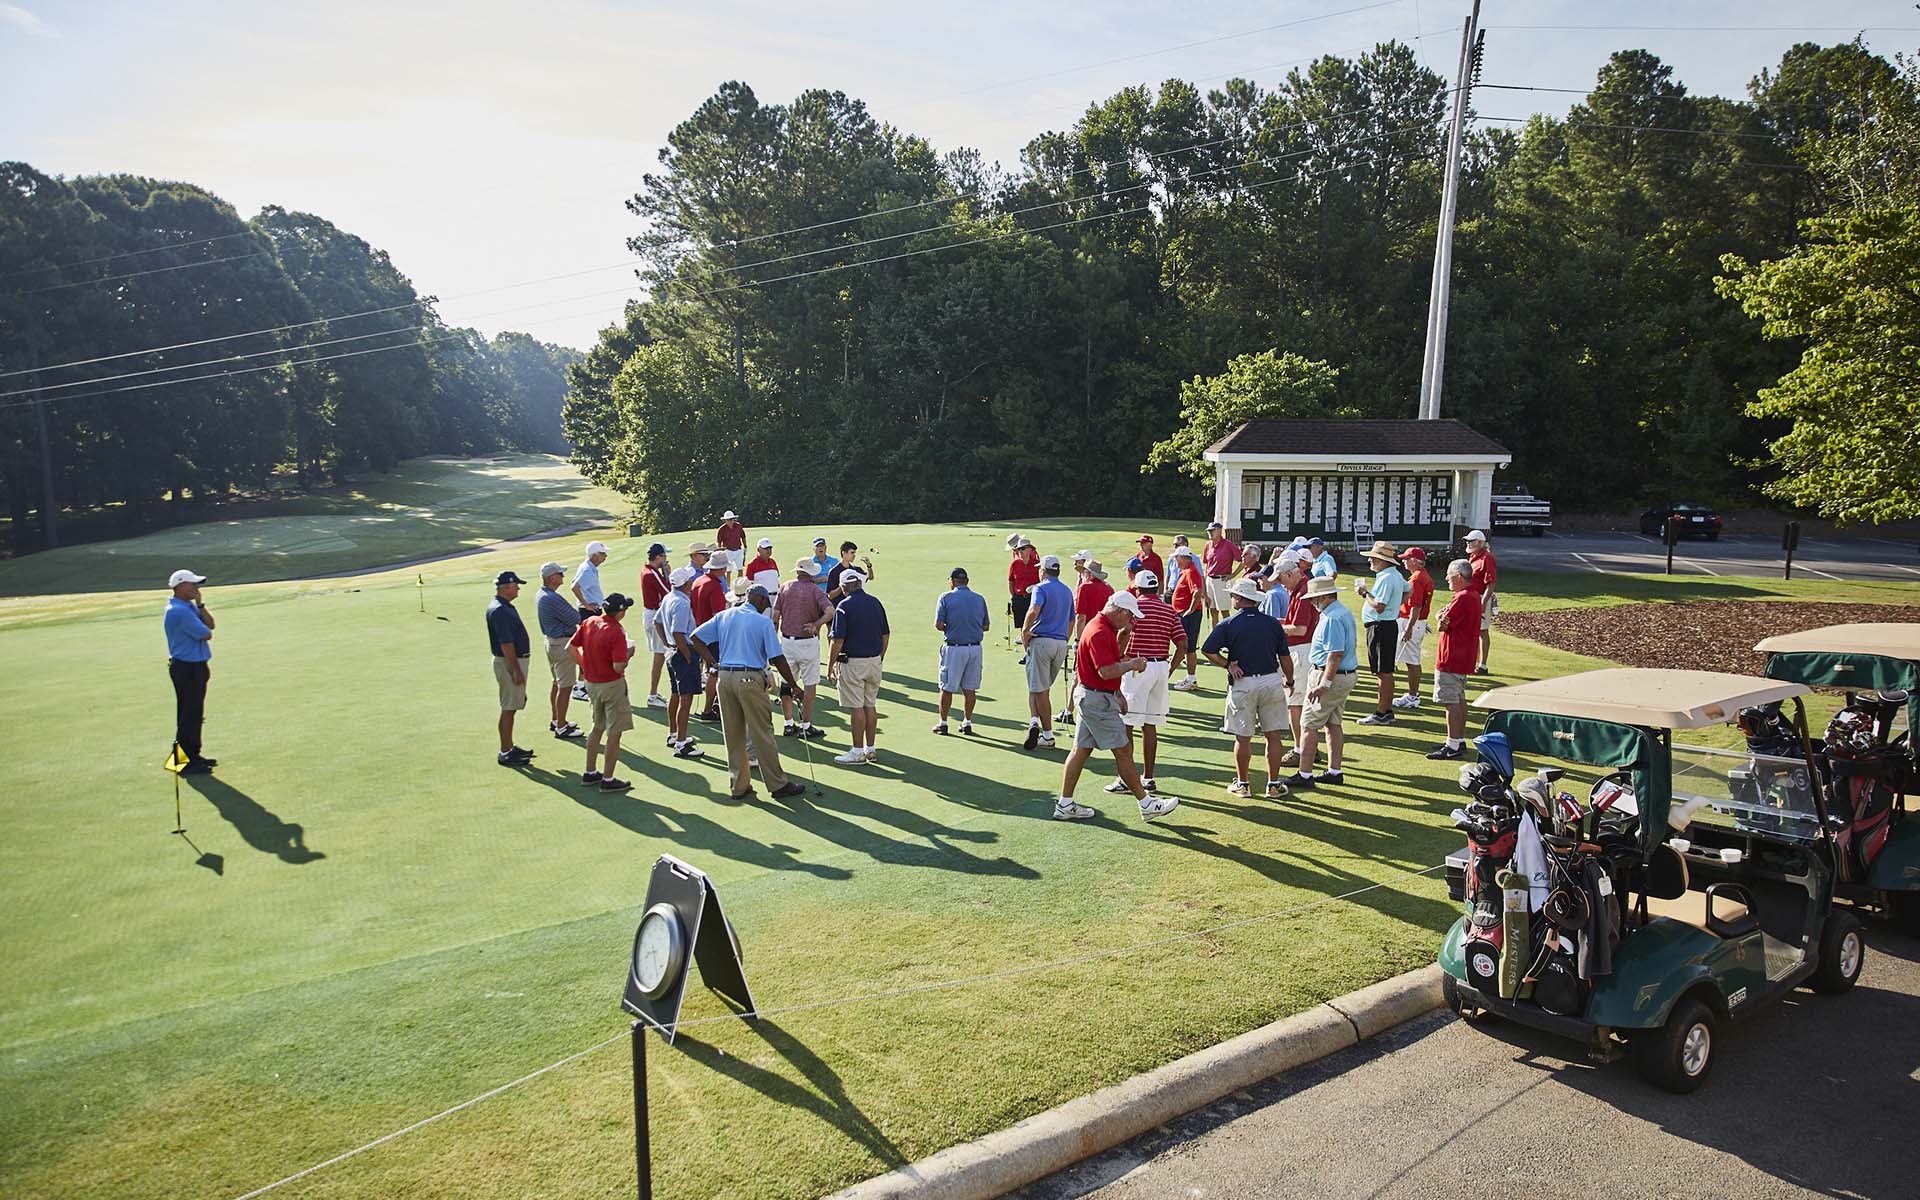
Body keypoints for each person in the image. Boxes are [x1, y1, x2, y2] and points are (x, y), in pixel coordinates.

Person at [1052, 592, 1180, 822]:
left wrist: (1118, 693)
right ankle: (1146, 803)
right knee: (1123, 750)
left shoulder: (1103, 627)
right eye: (1130, 615)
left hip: (1093, 696)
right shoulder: (1100, 632)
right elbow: (1106, 671)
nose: (1131, 620)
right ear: (1120, 611)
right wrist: (1133, 664)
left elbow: (1108, 665)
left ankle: (1065, 804)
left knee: (1081, 750)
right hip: (1097, 702)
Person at [689, 586, 807, 801]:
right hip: (749, 679)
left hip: (725, 679)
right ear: (760, 600)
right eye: (766, 604)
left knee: (733, 735)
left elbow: (696, 637)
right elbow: (777, 658)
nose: (766, 608)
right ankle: (778, 785)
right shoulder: (763, 622)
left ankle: (739, 786)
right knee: (762, 732)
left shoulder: (724, 616)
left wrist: (712, 663)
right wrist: (793, 685)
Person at [1202, 578, 1296, 799]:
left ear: (1239, 598)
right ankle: (1273, 785)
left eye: (1233, 595)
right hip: (1271, 680)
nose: (1231, 598)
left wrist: (1228, 664)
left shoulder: (1228, 624)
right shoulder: (1272, 623)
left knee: (1243, 738)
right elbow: (1285, 657)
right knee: (1273, 736)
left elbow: (1208, 649)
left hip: (1243, 683)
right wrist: (1290, 681)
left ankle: (1243, 784)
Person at [1103, 570, 1186, 795]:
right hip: (1160, 667)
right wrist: (1170, 669)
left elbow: (1124, 633)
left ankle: (1126, 779)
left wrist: (1119, 657)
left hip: (1136, 667)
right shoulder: (1168, 609)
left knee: (1127, 723)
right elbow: (1182, 644)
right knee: (1150, 725)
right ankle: (1148, 778)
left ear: (1137, 589)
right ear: (1157, 588)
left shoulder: (1134, 607)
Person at [1290, 575, 1356, 789]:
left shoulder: (1331, 618)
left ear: (1325, 597)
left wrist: (1323, 684)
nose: (1311, 602)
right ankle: (1334, 771)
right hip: (1342, 675)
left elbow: (1335, 654)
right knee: (1333, 723)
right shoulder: (1341, 612)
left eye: (1314, 598)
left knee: (1308, 725)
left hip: (1329, 676)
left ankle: (1305, 774)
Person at [568, 592, 636, 791]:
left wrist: (585, 666)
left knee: (597, 726)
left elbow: (570, 648)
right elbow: (618, 666)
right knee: (614, 732)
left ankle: (590, 772)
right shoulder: (616, 631)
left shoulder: (589, 622)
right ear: (620, 612)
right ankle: (608, 779)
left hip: (592, 683)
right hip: (612, 685)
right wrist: (629, 654)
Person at [827, 569, 889, 764]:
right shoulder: (875, 602)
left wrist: (830, 665)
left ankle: (857, 751)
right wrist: (880, 657)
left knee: (856, 707)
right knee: (870, 704)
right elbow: (885, 634)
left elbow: (837, 640)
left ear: (844, 587)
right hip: (874, 661)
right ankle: (870, 748)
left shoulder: (844, 606)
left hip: (853, 663)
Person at [1426, 559, 1484, 760]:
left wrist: (1439, 617)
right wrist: (1440, 616)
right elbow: (1443, 616)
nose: (1446, 578)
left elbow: (1443, 624)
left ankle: (1453, 744)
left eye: (1449, 575)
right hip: (1463, 655)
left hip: (1452, 655)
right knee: (1458, 698)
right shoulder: (1472, 595)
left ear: (1459, 577)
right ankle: (1457, 740)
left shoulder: (1463, 598)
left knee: (1451, 702)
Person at [163, 568, 218, 773]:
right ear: (180, 586)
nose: (196, 587)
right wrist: (198, 612)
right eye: (193, 584)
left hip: (195, 666)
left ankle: (193, 756)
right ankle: (181, 763)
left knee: (195, 713)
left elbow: (211, 624)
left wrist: (200, 604)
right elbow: (206, 634)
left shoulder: (187, 606)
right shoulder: (178, 611)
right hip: (186, 668)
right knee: (189, 715)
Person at [774, 556, 832, 739]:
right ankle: (806, 726)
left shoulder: (785, 587)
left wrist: (774, 641)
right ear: (811, 573)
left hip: (787, 642)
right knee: (809, 684)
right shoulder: (815, 590)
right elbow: (830, 611)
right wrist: (816, 623)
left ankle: (788, 724)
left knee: (785, 682)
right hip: (807, 642)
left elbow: (775, 616)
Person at [1019, 554, 1074, 750]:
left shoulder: (1040, 588)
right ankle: (1034, 721)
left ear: (1043, 570)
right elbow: (1071, 620)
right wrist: (1064, 639)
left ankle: (1048, 735)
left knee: (1040, 691)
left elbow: (1034, 610)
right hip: (1060, 644)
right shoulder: (1067, 591)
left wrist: (1025, 630)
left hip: (1042, 642)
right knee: (1039, 688)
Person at [1354, 541, 1410, 727]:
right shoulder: (1394, 574)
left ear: (1383, 560)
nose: (1370, 560)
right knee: (1385, 671)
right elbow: (1408, 590)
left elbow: (1379, 606)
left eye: (1374, 558)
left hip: (1380, 626)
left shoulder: (1387, 577)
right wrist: (1395, 605)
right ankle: (1386, 711)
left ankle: (1381, 713)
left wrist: (1364, 593)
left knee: (1383, 673)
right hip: (1385, 625)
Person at [486, 569, 535, 767]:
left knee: (511, 706)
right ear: (506, 587)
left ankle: (509, 747)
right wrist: (516, 670)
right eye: (516, 586)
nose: (518, 589)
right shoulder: (500, 610)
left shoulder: (503, 606)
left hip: (511, 661)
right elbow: (506, 644)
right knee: (508, 707)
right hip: (509, 662)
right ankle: (505, 752)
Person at [934, 566, 990, 735]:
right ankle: (967, 722)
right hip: (975, 649)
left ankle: (943, 723)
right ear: (967, 581)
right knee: (970, 689)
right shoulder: (979, 599)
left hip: (954, 649)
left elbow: (939, 624)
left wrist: (952, 627)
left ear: (952, 581)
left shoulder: (945, 597)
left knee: (947, 687)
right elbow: (985, 626)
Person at [1275, 555, 1319, 763]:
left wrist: (1275, 626)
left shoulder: (1302, 591)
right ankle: (1309, 748)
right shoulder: (1299, 588)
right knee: (1300, 702)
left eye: (1281, 579)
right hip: (1303, 650)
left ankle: (1301, 750)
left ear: (1290, 574)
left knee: (1295, 703)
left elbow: (1300, 629)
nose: (1281, 584)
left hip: (1301, 651)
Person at [659, 566, 705, 759]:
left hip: (672, 652)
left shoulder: (668, 598)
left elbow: (657, 622)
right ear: (686, 584)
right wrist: (687, 655)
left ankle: (674, 734)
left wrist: (667, 644)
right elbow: (678, 632)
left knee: (676, 694)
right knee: (686, 699)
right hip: (682, 652)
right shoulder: (682, 603)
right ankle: (681, 743)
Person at [536, 561, 584, 739]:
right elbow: (575, 617)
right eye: (560, 574)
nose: (563, 576)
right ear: (551, 578)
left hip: (552, 643)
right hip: (562, 644)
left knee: (557, 683)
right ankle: (561, 726)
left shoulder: (542, 594)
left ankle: (556, 720)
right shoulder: (552, 598)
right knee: (565, 686)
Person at [1064, 559, 1113, 723]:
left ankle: (1069, 711)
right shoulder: (1109, 589)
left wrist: (1078, 640)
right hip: (1104, 637)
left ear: (1089, 573)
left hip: (1088, 637)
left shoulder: (1085, 587)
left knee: (1078, 675)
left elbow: (1080, 617)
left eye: (1084, 571)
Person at [1392, 547, 1435, 711]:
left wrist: (1409, 628)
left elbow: (1416, 607)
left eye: (1406, 559)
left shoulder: (1416, 579)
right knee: (1412, 660)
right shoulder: (1423, 576)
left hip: (1411, 622)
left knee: (1412, 661)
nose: (1404, 561)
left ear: (1415, 561)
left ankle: (1412, 696)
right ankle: (1412, 694)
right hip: (1417, 622)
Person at [689, 553, 729, 722]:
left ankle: (711, 707)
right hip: (713, 636)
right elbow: (718, 616)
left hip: (699, 633)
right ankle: (708, 710)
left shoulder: (698, 581)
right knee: (715, 671)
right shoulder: (714, 586)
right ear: (721, 568)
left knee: (709, 671)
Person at [638, 543, 672, 709]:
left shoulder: (648, 571)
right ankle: (652, 695)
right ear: (658, 557)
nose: (666, 560)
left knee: (660, 655)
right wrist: (668, 575)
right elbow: (668, 592)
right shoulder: (652, 573)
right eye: (664, 556)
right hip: (655, 616)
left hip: (651, 614)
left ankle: (654, 693)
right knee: (659, 656)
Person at [1168, 545, 1206, 690]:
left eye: (1177, 558)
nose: (1175, 561)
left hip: (1190, 616)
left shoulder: (1191, 572)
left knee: (1187, 647)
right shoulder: (1186, 571)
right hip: (1186, 614)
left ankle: (1190, 679)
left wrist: (1190, 610)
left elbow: (1197, 592)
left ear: (1184, 558)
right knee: (1185, 647)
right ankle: (1190, 678)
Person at [1465, 529, 1498, 674]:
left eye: (1471, 541)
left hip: (1481, 597)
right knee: (1472, 630)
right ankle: (1472, 661)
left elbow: (1491, 583)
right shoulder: (1473, 556)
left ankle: (1482, 665)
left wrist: (1483, 603)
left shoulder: (1487, 558)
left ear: (1479, 542)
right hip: (1471, 597)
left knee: (1482, 631)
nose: (1468, 543)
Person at [1201, 521, 1240, 628]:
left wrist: (1233, 575)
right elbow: (1207, 565)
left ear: (1219, 531)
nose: (1210, 533)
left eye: (1212, 530)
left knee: (1224, 612)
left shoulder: (1228, 545)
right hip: (1209, 580)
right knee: (1213, 611)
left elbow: (1242, 560)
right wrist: (1204, 587)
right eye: (1209, 531)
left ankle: (1228, 634)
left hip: (1222, 581)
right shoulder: (1208, 545)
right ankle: (1215, 634)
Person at [1007, 535, 1040, 634]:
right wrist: (1013, 597)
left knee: (1035, 624)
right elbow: (1011, 581)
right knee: (1022, 627)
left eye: (1022, 549)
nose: (1020, 551)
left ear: (1030, 549)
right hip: (1019, 598)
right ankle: (1025, 643)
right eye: (1018, 549)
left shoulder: (1037, 564)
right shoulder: (1014, 564)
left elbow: (1042, 581)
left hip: (1033, 598)